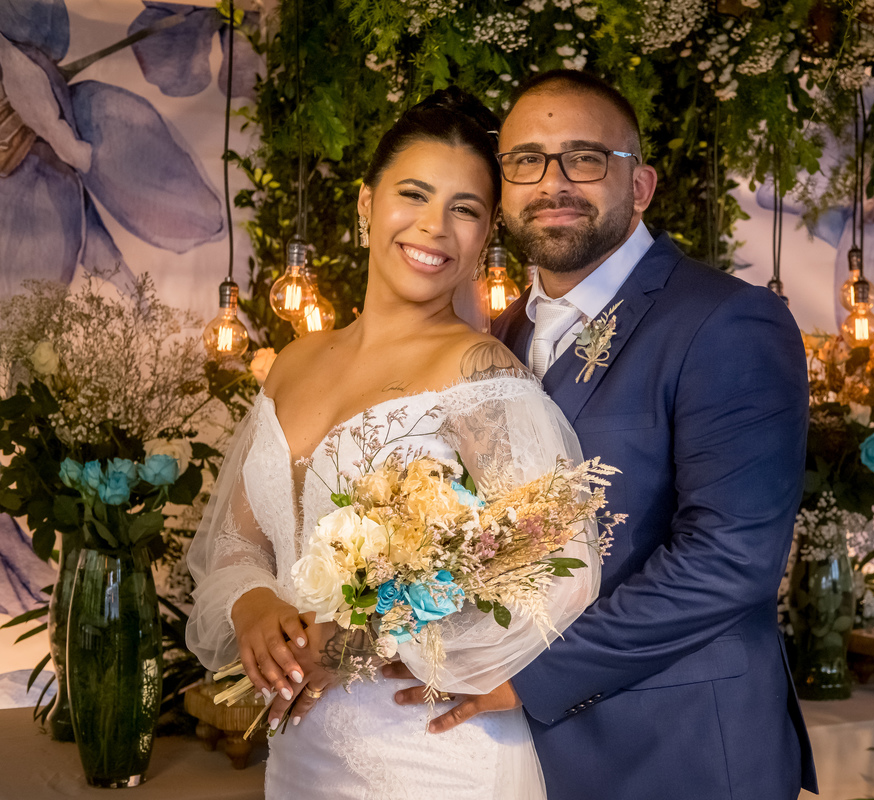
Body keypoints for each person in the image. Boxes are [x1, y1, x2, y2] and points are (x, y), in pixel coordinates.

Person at [386, 70, 818, 799]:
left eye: (584, 159)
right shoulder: (503, 335)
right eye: (525, 161)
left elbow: (729, 559)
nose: (553, 183)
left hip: (682, 754)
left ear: (641, 186)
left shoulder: (727, 322)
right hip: (528, 758)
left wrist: (529, 677)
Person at [185, 88, 602, 800]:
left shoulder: (479, 372)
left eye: (465, 210)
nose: (435, 228)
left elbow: (562, 565)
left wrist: (352, 647)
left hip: (432, 750)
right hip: (303, 752)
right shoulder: (294, 362)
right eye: (414, 195)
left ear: (485, 236)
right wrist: (252, 603)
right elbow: (239, 544)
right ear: (365, 204)